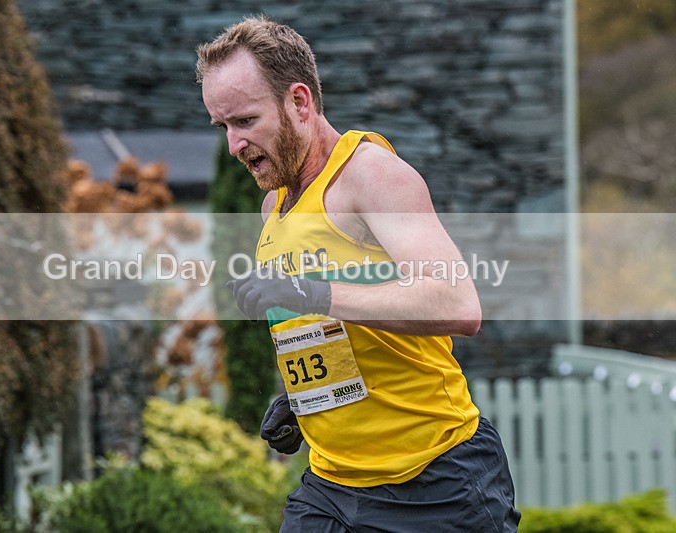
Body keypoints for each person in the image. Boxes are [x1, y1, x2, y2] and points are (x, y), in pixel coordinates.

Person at [196, 16, 520, 532]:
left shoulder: (370, 175)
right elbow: (336, 329)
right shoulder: (273, 207)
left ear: (300, 102)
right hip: (331, 487)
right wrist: (306, 400)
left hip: (434, 480)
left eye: (246, 121)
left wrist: (312, 292)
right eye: (224, 127)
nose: (235, 144)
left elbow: (456, 303)